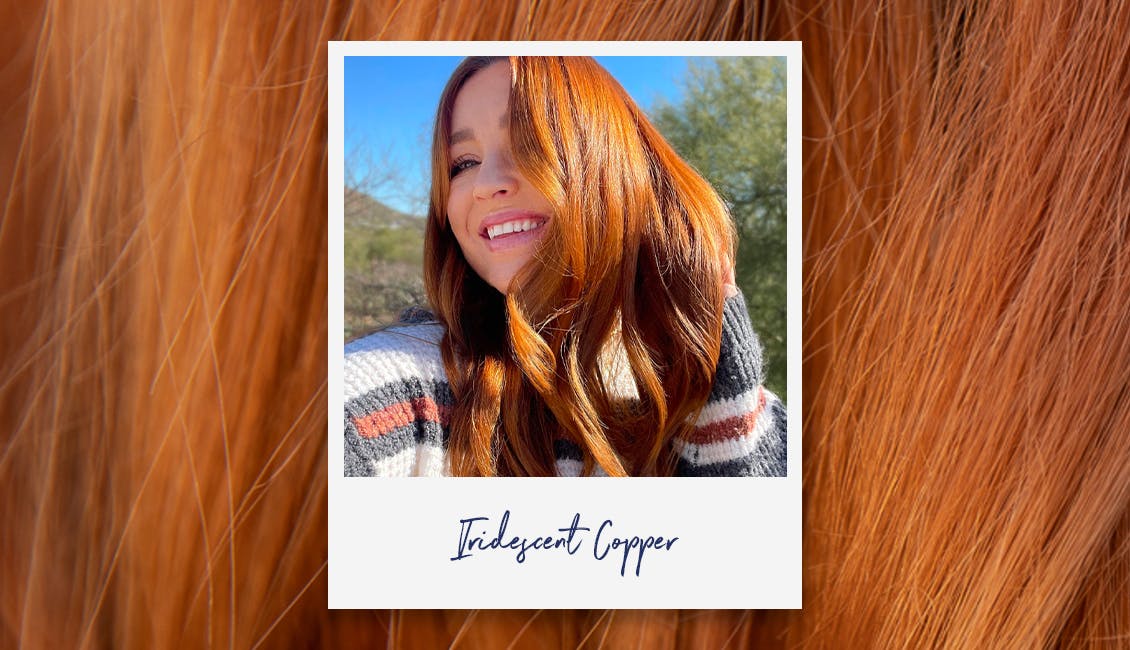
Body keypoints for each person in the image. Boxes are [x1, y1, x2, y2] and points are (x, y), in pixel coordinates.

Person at [343, 56, 786, 477]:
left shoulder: (754, 414)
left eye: (530, 143)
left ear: (618, 170)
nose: (487, 183)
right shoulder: (404, 390)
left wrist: (718, 382)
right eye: (464, 163)